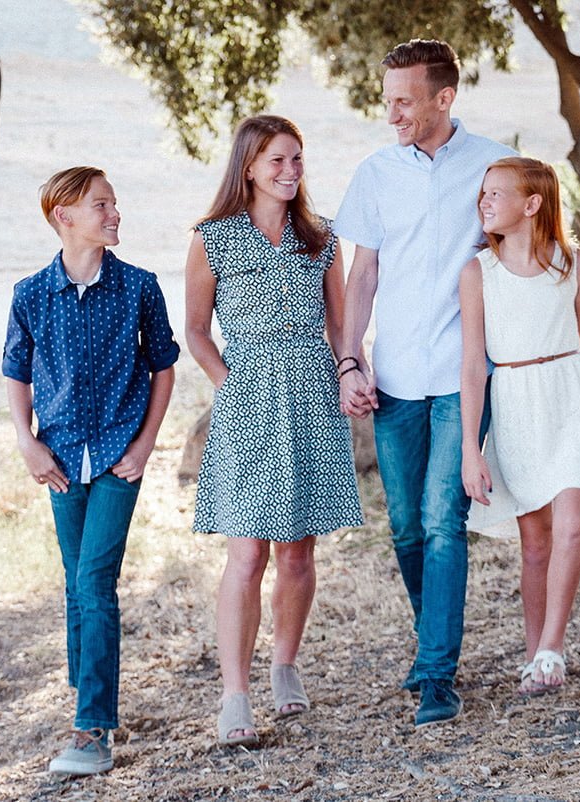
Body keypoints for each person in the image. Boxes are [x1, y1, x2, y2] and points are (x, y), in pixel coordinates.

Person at [335, 39, 515, 727]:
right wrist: (350, 360)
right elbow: (364, 276)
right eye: (388, 102)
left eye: (404, 101)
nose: (393, 116)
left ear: (445, 98)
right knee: (406, 527)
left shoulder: (493, 166)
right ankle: (431, 644)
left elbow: (523, 251)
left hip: (466, 374)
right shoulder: (376, 174)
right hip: (397, 378)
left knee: (444, 521)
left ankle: (438, 673)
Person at [186, 115, 362, 747]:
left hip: (312, 395)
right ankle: (235, 693)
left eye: (297, 160)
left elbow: (342, 324)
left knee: (297, 550)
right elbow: (198, 330)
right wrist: (227, 384)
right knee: (246, 553)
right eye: (276, 161)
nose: (289, 172)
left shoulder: (322, 239)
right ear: (249, 166)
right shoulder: (213, 238)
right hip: (247, 403)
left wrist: (349, 370)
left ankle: (284, 664)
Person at [2, 166, 180, 774]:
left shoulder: (139, 287)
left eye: (115, 203)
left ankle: (93, 728)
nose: (114, 214)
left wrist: (146, 445)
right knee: (76, 579)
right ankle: (89, 688)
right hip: (57, 457)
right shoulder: (30, 294)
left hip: (117, 457)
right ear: (65, 217)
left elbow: (163, 368)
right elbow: (16, 372)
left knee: (94, 581)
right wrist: (26, 443)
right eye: (101, 205)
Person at [459, 156, 580, 695]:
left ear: (532, 204)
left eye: (497, 194)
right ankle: (533, 652)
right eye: (483, 194)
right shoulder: (479, 273)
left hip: (571, 399)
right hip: (517, 402)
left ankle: (552, 650)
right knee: (536, 542)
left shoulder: (577, 264)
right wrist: (470, 450)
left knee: (571, 524)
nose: (485, 203)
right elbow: (473, 366)